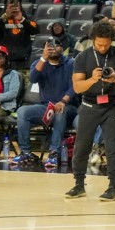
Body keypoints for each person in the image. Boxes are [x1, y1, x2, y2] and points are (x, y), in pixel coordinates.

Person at [65, 20, 115, 201]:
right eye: (99, 44)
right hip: (89, 104)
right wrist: (92, 80)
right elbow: (77, 87)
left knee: (112, 145)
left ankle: (113, 187)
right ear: (93, 40)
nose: (103, 48)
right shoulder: (82, 57)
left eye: (106, 44)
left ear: (112, 41)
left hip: (112, 105)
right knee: (82, 145)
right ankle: (79, 184)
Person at [11, 40, 77, 171]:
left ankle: (54, 152)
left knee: (60, 110)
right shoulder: (39, 63)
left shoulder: (71, 63)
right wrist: (43, 58)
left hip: (68, 106)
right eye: (50, 46)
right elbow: (33, 79)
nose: (53, 48)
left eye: (56, 45)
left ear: (62, 48)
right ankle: (25, 152)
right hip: (46, 106)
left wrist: (63, 101)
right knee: (23, 111)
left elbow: (74, 87)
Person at [0, 0, 38, 72]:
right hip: (4, 60)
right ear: (6, 5)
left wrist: (22, 20)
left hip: (23, 60)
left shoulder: (27, 18)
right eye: (10, 4)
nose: (13, 7)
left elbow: (36, 30)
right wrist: (5, 16)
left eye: (16, 4)